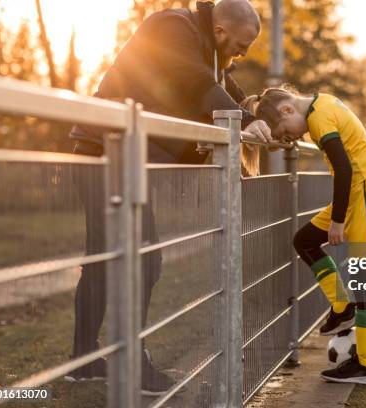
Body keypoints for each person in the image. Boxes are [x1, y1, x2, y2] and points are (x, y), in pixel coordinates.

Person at [66, 0, 271, 395]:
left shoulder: (209, 53)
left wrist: (265, 115)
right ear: (222, 30)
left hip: (121, 155)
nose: (242, 54)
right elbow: (196, 84)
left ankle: (84, 360)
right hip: (103, 152)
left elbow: (231, 91)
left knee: (106, 259)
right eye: (242, 44)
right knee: (143, 258)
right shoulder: (172, 28)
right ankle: (127, 362)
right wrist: (246, 122)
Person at [247, 88, 366, 384]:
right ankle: (342, 307)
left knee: (364, 279)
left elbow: (344, 169)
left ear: (288, 110)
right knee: (305, 241)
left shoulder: (319, 117)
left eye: (286, 133)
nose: (292, 139)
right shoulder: (320, 105)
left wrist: (337, 221)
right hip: (356, 193)